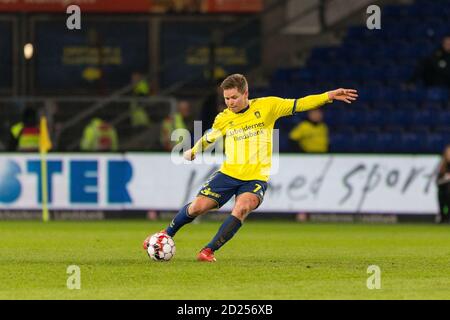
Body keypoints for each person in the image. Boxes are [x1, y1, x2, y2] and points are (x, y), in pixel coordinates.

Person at [143, 74, 358, 262]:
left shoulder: (268, 106)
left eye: (234, 97)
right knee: (198, 207)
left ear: (246, 93)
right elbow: (210, 137)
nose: (230, 102)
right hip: (228, 174)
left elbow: (299, 103)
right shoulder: (224, 118)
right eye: (226, 98)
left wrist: (328, 96)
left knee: (243, 207)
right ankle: (165, 234)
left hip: (255, 177)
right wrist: (194, 150)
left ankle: (208, 250)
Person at [437, 145, 450, 223]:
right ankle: (443, 216)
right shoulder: (443, 166)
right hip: (443, 189)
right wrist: (445, 179)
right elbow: (438, 180)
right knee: (442, 195)